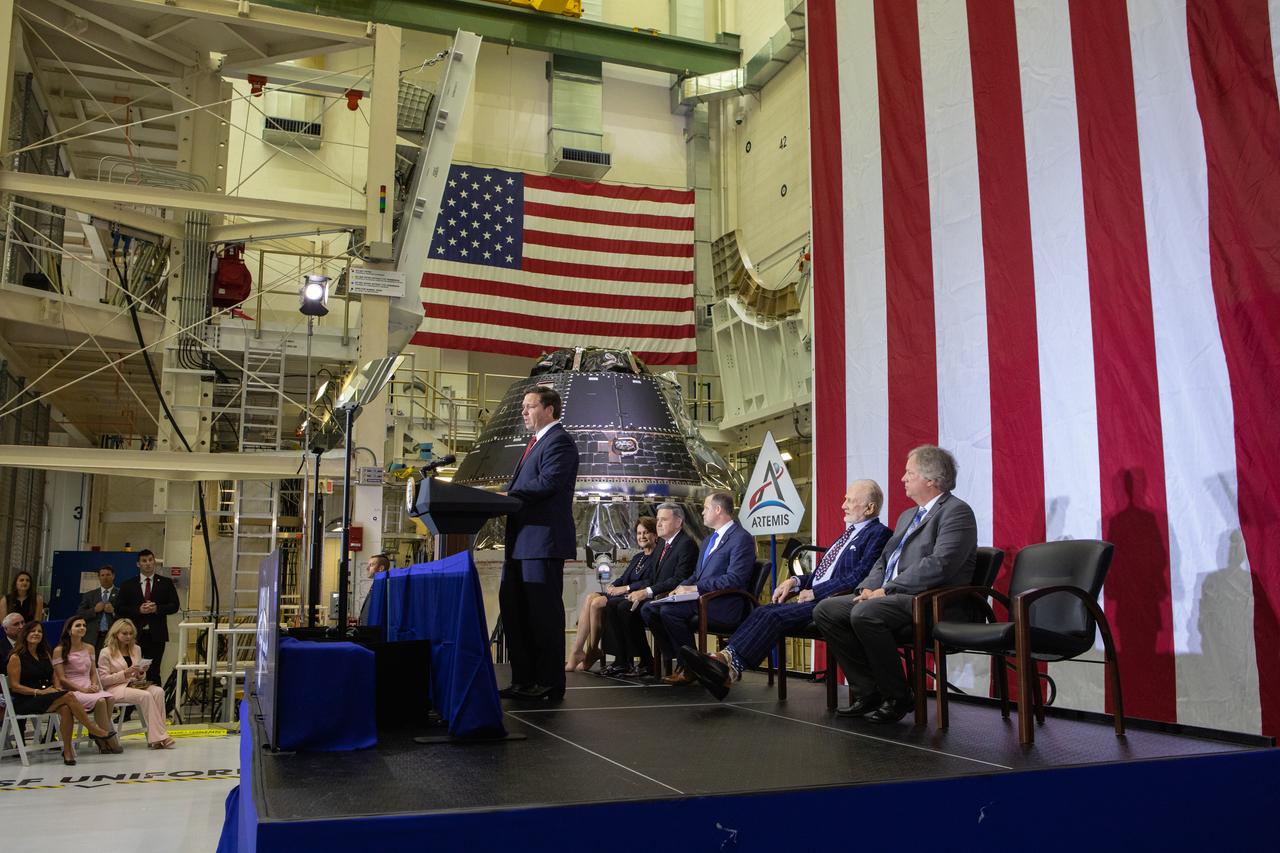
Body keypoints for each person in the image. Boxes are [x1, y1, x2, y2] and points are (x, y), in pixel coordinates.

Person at [680, 480, 893, 700]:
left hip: (833, 603)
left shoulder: (879, 534)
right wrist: (795, 581)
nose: (843, 505)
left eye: (850, 500)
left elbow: (859, 577)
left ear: (870, 508)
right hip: (817, 598)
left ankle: (725, 667)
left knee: (773, 616)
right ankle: (725, 665)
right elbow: (820, 574)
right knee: (764, 610)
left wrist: (816, 592)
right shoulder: (848, 534)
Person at [813, 445, 977, 723]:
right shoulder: (907, 516)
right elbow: (884, 560)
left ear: (931, 479)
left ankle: (898, 695)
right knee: (827, 610)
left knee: (865, 613)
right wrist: (867, 588)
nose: (903, 478)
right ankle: (869, 691)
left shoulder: (956, 512)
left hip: (928, 600)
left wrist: (886, 589)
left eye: (909, 473)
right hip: (889, 596)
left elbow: (940, 564)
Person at [498, 386, 580, 701]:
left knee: (542, 615)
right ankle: (524, 679)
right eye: (524, 406)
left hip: (542, 543)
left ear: (549, 409)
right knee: (517, 614)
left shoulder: (559, 441)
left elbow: (549, 482)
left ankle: (548, 682)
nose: (523, 412)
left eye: (529, 406)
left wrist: (508, 495)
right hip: (520, 544)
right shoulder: (535, 443)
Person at [641, 492, 755, 685]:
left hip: (722, 603)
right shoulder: (708, 540)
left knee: (669, 611)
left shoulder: (741, 538)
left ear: (718, 510)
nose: (702, 512)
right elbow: (697, 574)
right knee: (649, 608)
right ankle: (683, 659)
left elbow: (735, 579)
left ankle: (689, 666)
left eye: (706, 508)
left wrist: (696, 588)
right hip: (701, 599)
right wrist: (681, 587)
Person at [601, 504, 698, 676]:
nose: (658, 523)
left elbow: (679, 579)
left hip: (672, 596)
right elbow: (653, 577)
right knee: (613, 604)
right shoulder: (662, 545)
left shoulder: (686, 544)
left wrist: (646, 592)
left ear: (678, 522)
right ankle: (624, 660)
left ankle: (651, 660)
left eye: (663, 520)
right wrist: (640, 591)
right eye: (658, 519)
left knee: (625, 608)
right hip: (656, 593)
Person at [5, 621, 115, 765]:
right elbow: (15, 686)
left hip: (45, 695)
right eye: (32, 631)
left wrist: (56, 688)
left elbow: (54, 676)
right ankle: (92, 728)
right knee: (69, 695)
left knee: (66, 709)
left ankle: (67, 751)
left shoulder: (44, 654)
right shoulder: (16, 657)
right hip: (25, 700)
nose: (36, 634)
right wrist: (39, 692)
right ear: (25, 634)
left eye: (39, 631)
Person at [566, 517, 658, 673]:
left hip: (635, 596)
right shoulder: (638, 557)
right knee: (590, 597)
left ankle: (591, 651)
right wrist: (614, 585)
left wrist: (625, 588)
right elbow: (624, 578)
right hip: (623, 593)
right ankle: (581, 650)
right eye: (639, 533)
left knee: (596, 603)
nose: (642, 536)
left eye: (646, 532)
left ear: (655, 535)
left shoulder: (657, 557)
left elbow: (650, 581)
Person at [98, 619, 176, 749]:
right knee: (145, 696)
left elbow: (139, 676)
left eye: (130, 634)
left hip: (134, 685)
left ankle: (157, 738)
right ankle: (161, 737)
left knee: (159, 691)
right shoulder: (106, 652)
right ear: (116, 634)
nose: (128, 636)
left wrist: (141, 672)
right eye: (124, 633)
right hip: (115, 688)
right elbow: (104, 680)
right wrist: (125, 673)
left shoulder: (136, 649)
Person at [52, 616, 122, 753]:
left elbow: (93, 672)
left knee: (110, 698)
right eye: (78, 625)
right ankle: (107, 738)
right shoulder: (59, 650)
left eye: (84, 625)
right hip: (72, 689)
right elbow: (61, 678)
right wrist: (83, 689)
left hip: (88, 686)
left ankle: (100, 734)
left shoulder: (89, 648)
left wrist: (94, 684)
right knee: (100, 701)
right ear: (69, 630)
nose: (82, 628)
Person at [116, 549, 180, 685]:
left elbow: (175, 606)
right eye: (144, 561)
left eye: (150, 560)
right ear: (138, 564)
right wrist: (138, 610)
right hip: (133, 635)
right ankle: (130, 698)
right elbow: (119, 609)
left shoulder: (166, 583)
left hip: (157, 634)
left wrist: (157, 608)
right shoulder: (128, 584)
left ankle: (155, 697)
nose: (148, 563)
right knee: (132, 669)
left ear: (154, 562)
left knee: (154, 671)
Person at [76, 565, 120, 651]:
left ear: (113, 576)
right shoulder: (89, 595)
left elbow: (127, 616)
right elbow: (79, 615)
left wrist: (113, 611)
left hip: (113, 637)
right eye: (102, 575)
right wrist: (94, 610)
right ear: (99, 577)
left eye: (108, 575)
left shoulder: (121, 593)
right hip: (92, 637)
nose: (105, 578)